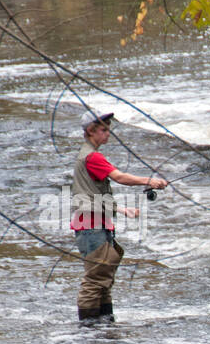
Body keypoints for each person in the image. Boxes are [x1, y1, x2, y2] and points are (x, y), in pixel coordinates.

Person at [70, 111, 166, 323]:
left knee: (103, 278)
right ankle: (88, 330)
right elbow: (120, 177)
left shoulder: (85, 155)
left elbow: (91, 193)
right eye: (103, 129)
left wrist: (122, 210)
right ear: (90, 132)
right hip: (92, 226)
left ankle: (104, 327)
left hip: (92, 224)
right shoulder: (93, 157)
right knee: (96, 280)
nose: (108, 134)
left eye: (108, 129)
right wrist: (148, 181)